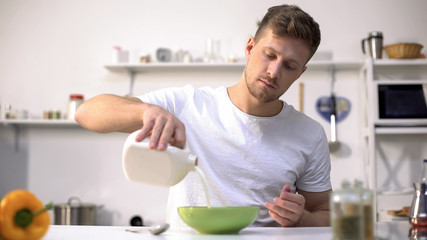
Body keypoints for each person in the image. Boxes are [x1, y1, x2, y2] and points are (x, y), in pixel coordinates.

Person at [75, 4, 331, 227]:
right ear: (250, 47)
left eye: (289, 66)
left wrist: (303, 218)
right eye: (269, 55)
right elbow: (86, 113)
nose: (274, 72)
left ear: (300, 73)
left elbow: (325, 212)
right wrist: (145, 111)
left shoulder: (309, 133)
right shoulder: (188, 104)